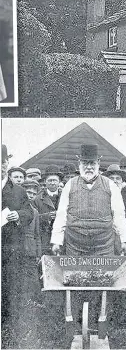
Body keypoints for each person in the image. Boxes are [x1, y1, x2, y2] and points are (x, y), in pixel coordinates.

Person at [51, 144, 126, 256]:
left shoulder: (110, 185)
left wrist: (124, 240)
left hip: (104, 244)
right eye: (85, 163)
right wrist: (56, 241)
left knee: (105, 273)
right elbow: (61, 215)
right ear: (79, 164)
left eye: (92, 163)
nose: (89, 167)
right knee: (75, 273)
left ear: (98, 163)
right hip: (75, 244)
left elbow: (119, 215)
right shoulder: (70, 184)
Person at [1, 145, 34, 342]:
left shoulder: (18, 191)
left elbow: (29, 213)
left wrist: (18, 214)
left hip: (11, 248)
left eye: (2, 161)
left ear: (6, 164)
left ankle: (8, 329)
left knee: (9, 288)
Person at [104, 164, 126, 253]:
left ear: (122, 181)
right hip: (104, 239)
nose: (115, 181)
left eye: (118, 178)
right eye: (111, 178)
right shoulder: (101, 196)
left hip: (122, 240)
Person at [33, 165, 63, 255]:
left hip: (62, 238)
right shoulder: (37, 199)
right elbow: (33, 219)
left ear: (59, 182)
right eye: (50, 180)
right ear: (45, 182)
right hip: (45, 237)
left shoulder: (66, 197)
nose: (53, 183)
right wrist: (47, 217)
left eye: (55, 180)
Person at [21, 179, 42, 303]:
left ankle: (33, 302)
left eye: (34, 194)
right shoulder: (13, 208)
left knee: (33, 278)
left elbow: (37, 234)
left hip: (30, 249)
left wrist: (38, 253)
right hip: (17, 247)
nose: (31, 195)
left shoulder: (35, 212)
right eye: (28, 192)